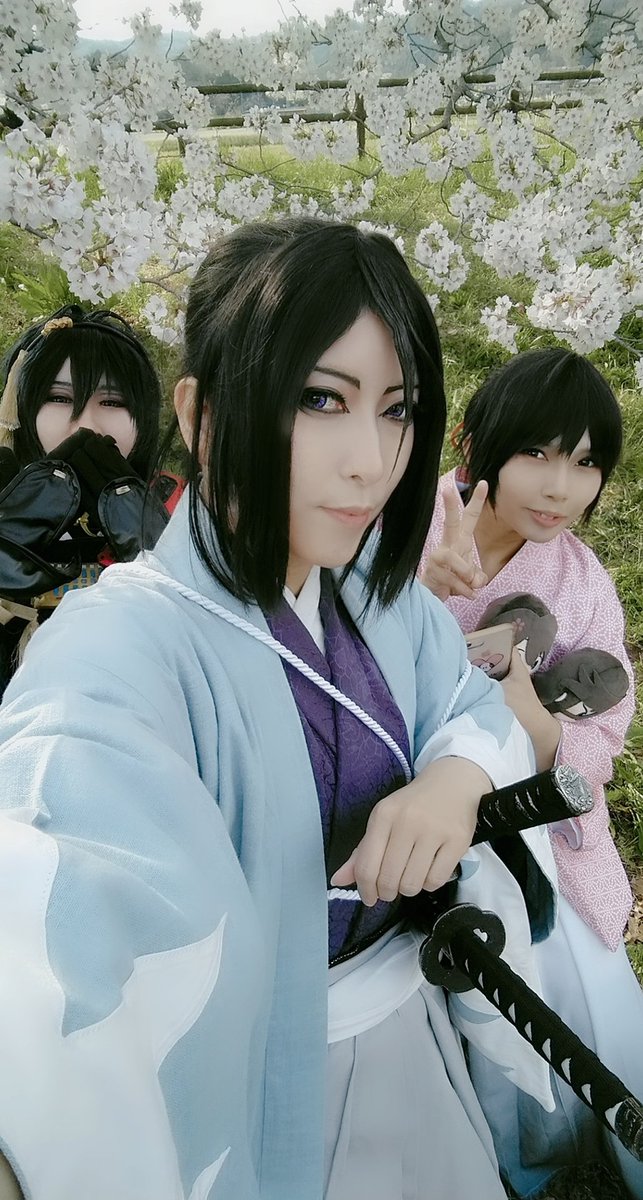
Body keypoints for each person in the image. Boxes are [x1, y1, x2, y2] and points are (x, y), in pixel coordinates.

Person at [0, 222, 627, 1200]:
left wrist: (456, 777)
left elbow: (474, 703)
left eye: (397, 409)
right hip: (252, 1081)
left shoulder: (383, 602)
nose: (370, 460)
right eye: (320, 399)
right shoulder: (112, 649)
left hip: (412, 1032)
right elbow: (54, 898)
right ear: (202, 414)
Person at [420, 348, 643, 1197]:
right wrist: (415, 595)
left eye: (585, 462)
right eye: (536, 453)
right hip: (409, 811)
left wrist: (540, 726)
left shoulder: (581, 583)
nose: (560, 487)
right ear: (473, 444)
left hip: (533, 822)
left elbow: (605, 731)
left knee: (573, 978)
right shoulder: (399, 523)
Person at [0, 304, 180, 692]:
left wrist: (150, 539)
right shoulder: (4, 495)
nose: (85, 424)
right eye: (59, 398)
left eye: (112, 402)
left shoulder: (185, 510)